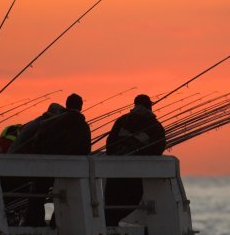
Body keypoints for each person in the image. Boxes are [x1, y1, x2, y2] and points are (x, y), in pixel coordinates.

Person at [21, 94, 91, 227]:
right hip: (69, 169)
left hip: (45, 164)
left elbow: (37, 142)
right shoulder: (82, 126)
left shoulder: (49, 122)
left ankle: (33, 222)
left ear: (66, 104)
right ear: (81, 107)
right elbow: (86, 149)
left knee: (38, 194)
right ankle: (57, 222)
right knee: (64, 195)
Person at [104, 94, 166, 226]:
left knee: (110, 201)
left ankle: (109, 225)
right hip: (137, 174)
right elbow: (159, 148)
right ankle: (113, 223)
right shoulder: (155, 126)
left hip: (115, 171)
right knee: (131, 201)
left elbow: (109, 144)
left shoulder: (122, 120)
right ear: (149, 106)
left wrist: (115, 156)